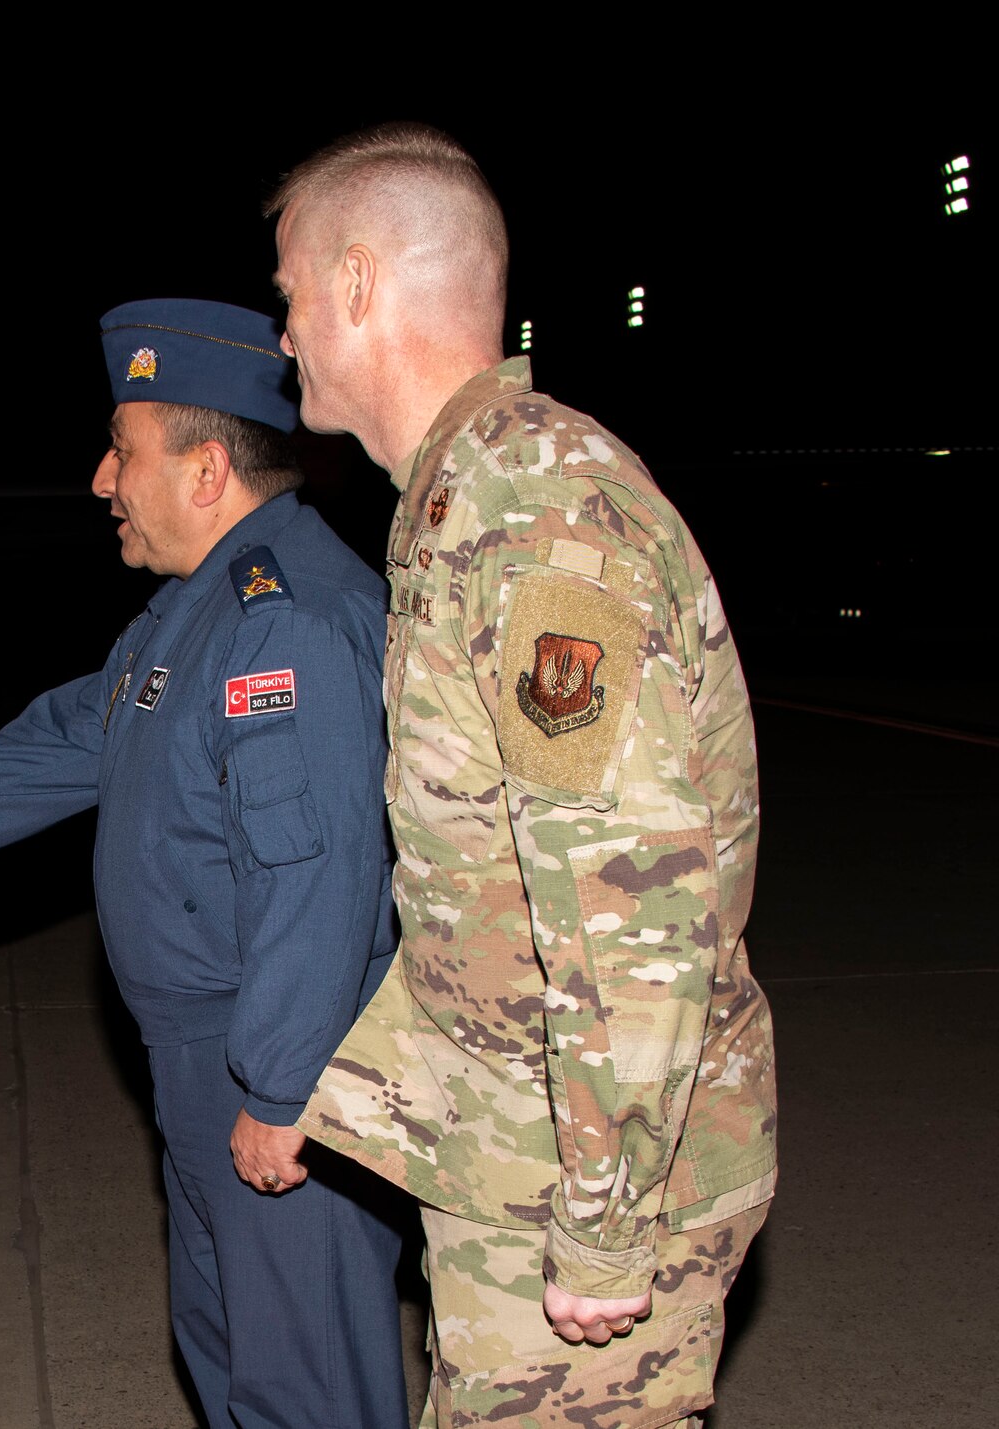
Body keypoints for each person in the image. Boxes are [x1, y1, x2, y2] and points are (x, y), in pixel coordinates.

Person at [0, 299, 406, 1428]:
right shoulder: (199, 609)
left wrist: (280, 1084)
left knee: (305, 1389)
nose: (100, 479)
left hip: (273, 1057)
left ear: (206, 470)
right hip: (205, 1059)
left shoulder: (287, 624)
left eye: (122, 451)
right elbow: (88, 728)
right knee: (230, 1364)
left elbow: (315, 878)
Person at [267, 123, 777, 1427]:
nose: (284, 339)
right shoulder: (464, 498)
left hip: (588, 1170)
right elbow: (484, 885)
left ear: (360, 286)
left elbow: (630, 900)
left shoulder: (533, 510)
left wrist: (607, 1219)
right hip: (516, 1153)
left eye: (290, 296)